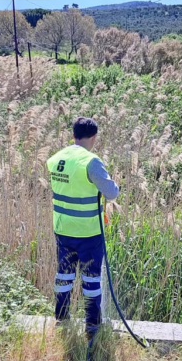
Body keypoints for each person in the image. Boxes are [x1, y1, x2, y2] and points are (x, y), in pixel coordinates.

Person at [46, 117, 119, 337]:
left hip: (62, 229)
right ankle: (93, 325)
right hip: (88, 231)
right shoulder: (91, 162)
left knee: (64, 275)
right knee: (91, 279)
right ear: (94, 137)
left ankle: (61, 319)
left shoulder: (56, 158)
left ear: (74, 134)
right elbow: (112, 193)